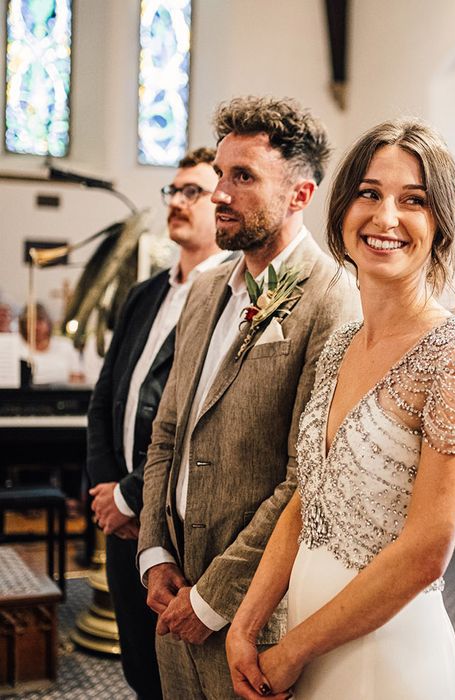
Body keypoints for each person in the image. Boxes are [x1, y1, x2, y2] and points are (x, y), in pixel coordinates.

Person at [226, 118, 455, 699]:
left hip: (390, 659)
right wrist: (246, 625)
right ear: (342, 209)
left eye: (414, 201)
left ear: (441, 225)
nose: (385, 218)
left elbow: (427, 552)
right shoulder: (340, 346)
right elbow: (308, 499)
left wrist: (291, 651)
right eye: (369, 194)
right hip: (308, 644)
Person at [137, 96, 360, 699]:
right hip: (172, 587)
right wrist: (155, 551)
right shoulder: (208, 288)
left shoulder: (331, 299)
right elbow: (169, 429)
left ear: (300, 196)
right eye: (220, 175)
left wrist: (212, 599)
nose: (219, 194)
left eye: (243, 177)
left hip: (252, 616)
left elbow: (305, 477)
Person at [86, 146, 230, 699]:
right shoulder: (144, 294)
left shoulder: (229, 300)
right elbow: (105, 400)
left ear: (218, 202)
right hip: (122, 523)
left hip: (172, 528)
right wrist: (107, 493)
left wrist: (130, 496)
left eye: (192, 192)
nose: (178, 202)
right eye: (173, 191)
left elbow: (191, 424)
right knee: (140, 670)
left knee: (182, 676)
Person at [19, 302, 81, 385]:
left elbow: (76, 377)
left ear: (48, 322)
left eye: (40, 321)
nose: (36, 327)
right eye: (30, 321)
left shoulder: (65, 345)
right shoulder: (17, 347)